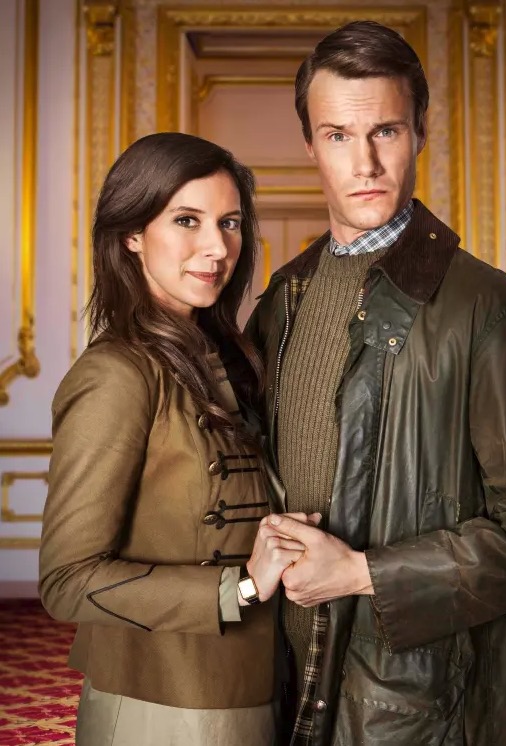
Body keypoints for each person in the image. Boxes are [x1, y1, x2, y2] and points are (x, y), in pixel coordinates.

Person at [246, 21, 506, 746]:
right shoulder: (282, 300)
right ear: (310, 145)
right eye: (338, 135)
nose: (364, 161)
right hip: (279, 682)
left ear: (420, 131)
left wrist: (363, 572)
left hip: (410, 706)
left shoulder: (490, 308)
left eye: (386, 131)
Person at [39, 132, 307, 746]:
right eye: (187, 220)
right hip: (161, 699)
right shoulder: (116, 374)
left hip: (258, 680)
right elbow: (66, 580)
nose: (217, 247)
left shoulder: (229, 357)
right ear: (131, 234)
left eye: (230, 222)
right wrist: (242, 585)